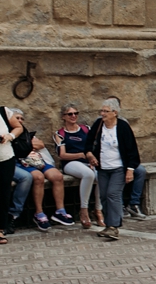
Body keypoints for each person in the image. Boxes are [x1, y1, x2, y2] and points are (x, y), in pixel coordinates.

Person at [84, 97, 140, 241]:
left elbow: (132, 150)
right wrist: (90, 154)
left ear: (115, 112)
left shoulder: (122, 127)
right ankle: (109, 225)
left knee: (113, 194)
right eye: (101, 111)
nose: (102, 114)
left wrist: (130, 169)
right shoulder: (98, 125)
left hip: (118, 168)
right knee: (103, 196)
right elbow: (88, 143)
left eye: (106, 111)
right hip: (103, 167)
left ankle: (114, 226)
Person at [7, 109, 73, 231]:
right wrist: (29, 145)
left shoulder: (25, 133)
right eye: (17, 118)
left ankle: (60, 211)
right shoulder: (8, 133)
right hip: (23, 164)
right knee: (38, 177)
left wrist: (24, 145)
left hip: (38, 161)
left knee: (57, 176)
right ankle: (39, 213)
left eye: (22, 118)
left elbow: (40, 144)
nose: (20, 120)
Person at [57, 102, 102, 228]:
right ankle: (84, 210)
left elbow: (94, 146)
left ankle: (98, 210)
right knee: (88, 174)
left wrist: (92, 159)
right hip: (70, 163)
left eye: (75, 113)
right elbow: (62, 155)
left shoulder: (85, 129)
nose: (73, 116)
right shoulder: (60, 133)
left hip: (88, 161)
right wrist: (82, 155)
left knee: (100, 175)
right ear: (63, 116)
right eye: (70, 114)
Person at [0, 103, 22, 244]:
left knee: (3, 193)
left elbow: (18, 127)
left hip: (5, 158)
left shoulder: (3, 111)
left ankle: (0, 229)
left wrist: (9, 136)